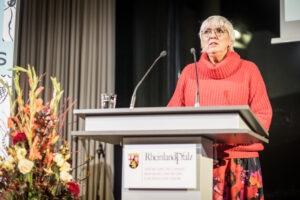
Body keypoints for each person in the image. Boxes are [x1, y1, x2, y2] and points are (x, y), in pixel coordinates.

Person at [167, 15, 272, 200]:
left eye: (219, 31)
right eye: (206, 32)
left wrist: (236, 137)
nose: (212, 35)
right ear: (201, 40)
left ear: (231, 40)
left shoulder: (249, 70)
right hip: (198, 160)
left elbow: (263, 114)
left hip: (239, 161)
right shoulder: (189, 72)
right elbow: (172, 114)